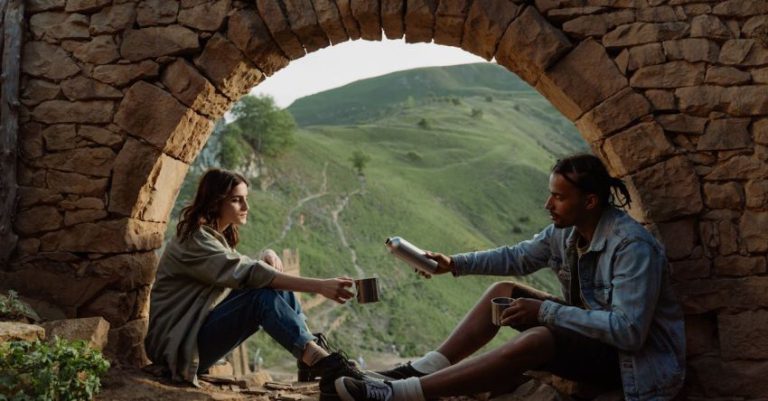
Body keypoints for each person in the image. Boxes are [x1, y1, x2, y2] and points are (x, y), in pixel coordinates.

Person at [334, 154, 686, 401]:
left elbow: (628, 332)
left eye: (559, 197)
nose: (548, 204)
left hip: (628, 362)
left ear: (591, 201)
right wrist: (452, 263)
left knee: (537, 338)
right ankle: (421, 370)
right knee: (502, 291)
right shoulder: (565, 233)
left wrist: (543, 312)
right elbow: (516, 257)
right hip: (591, 334)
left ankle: (401, 394)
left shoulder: (632, 248)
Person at [145, 169, 367, 393]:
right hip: (177, 347)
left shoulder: (211, 237)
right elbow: (246, 272)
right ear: (214, 202)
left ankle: (311, 357)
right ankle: (318, 359)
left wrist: (265, 254)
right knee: (260, 296)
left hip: (191, 334)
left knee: (272, 286)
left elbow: (239, 268)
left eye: (246, 199)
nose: (245, 207)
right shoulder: (194, 241)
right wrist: (320, 286)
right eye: (236, 200)